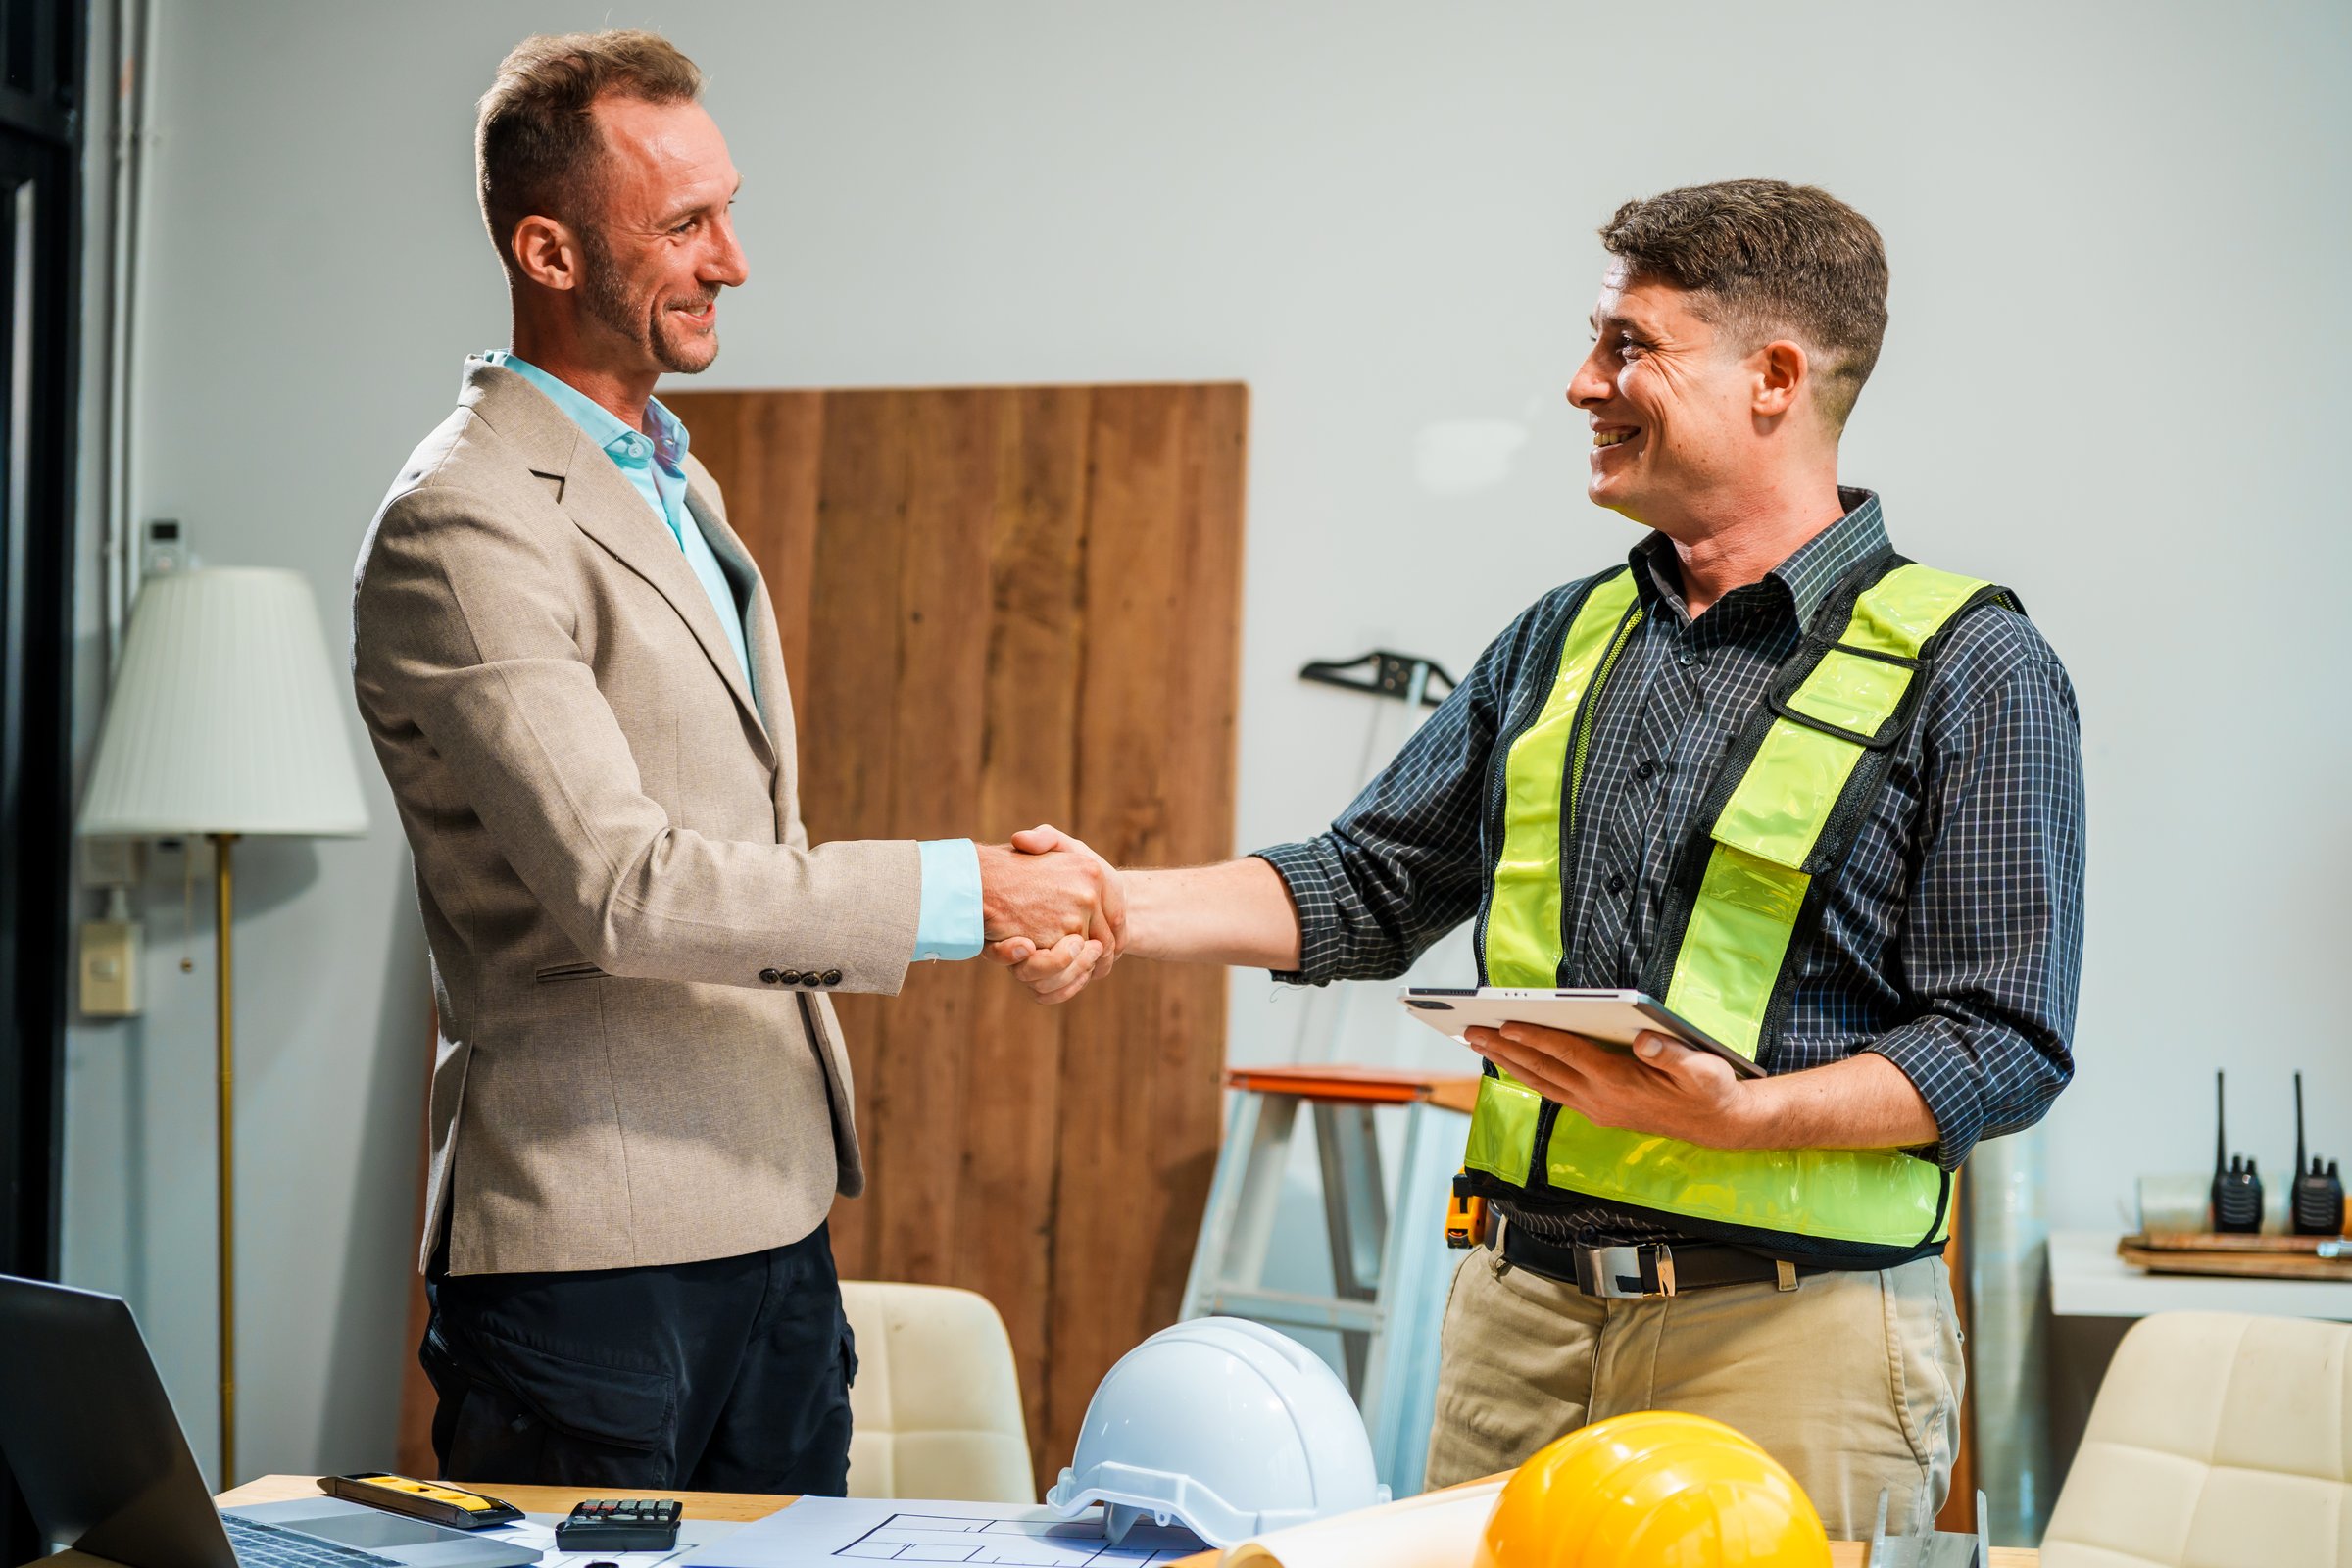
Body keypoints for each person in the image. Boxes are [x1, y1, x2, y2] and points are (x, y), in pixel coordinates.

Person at [996, 180, 2085, 1533]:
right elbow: (1368, 882)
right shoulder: (1556, 641)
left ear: (1775, 378)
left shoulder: (1972, 666)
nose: (1584, 383)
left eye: (1630, 346)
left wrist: (1745, 1117)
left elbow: (2004, 1039)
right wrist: (1114, 905)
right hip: (1518, 1323)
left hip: (1793, 1343)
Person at [351, 30, 1116, 1491]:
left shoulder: (672, 478)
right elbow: (623, 890)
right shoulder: (463, 523)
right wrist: (968, 895)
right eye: (684, 225)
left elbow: (737, 813)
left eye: (730, 209)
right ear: (549, 250)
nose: (735, 259)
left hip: (770, 1225)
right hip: (591, 1263)